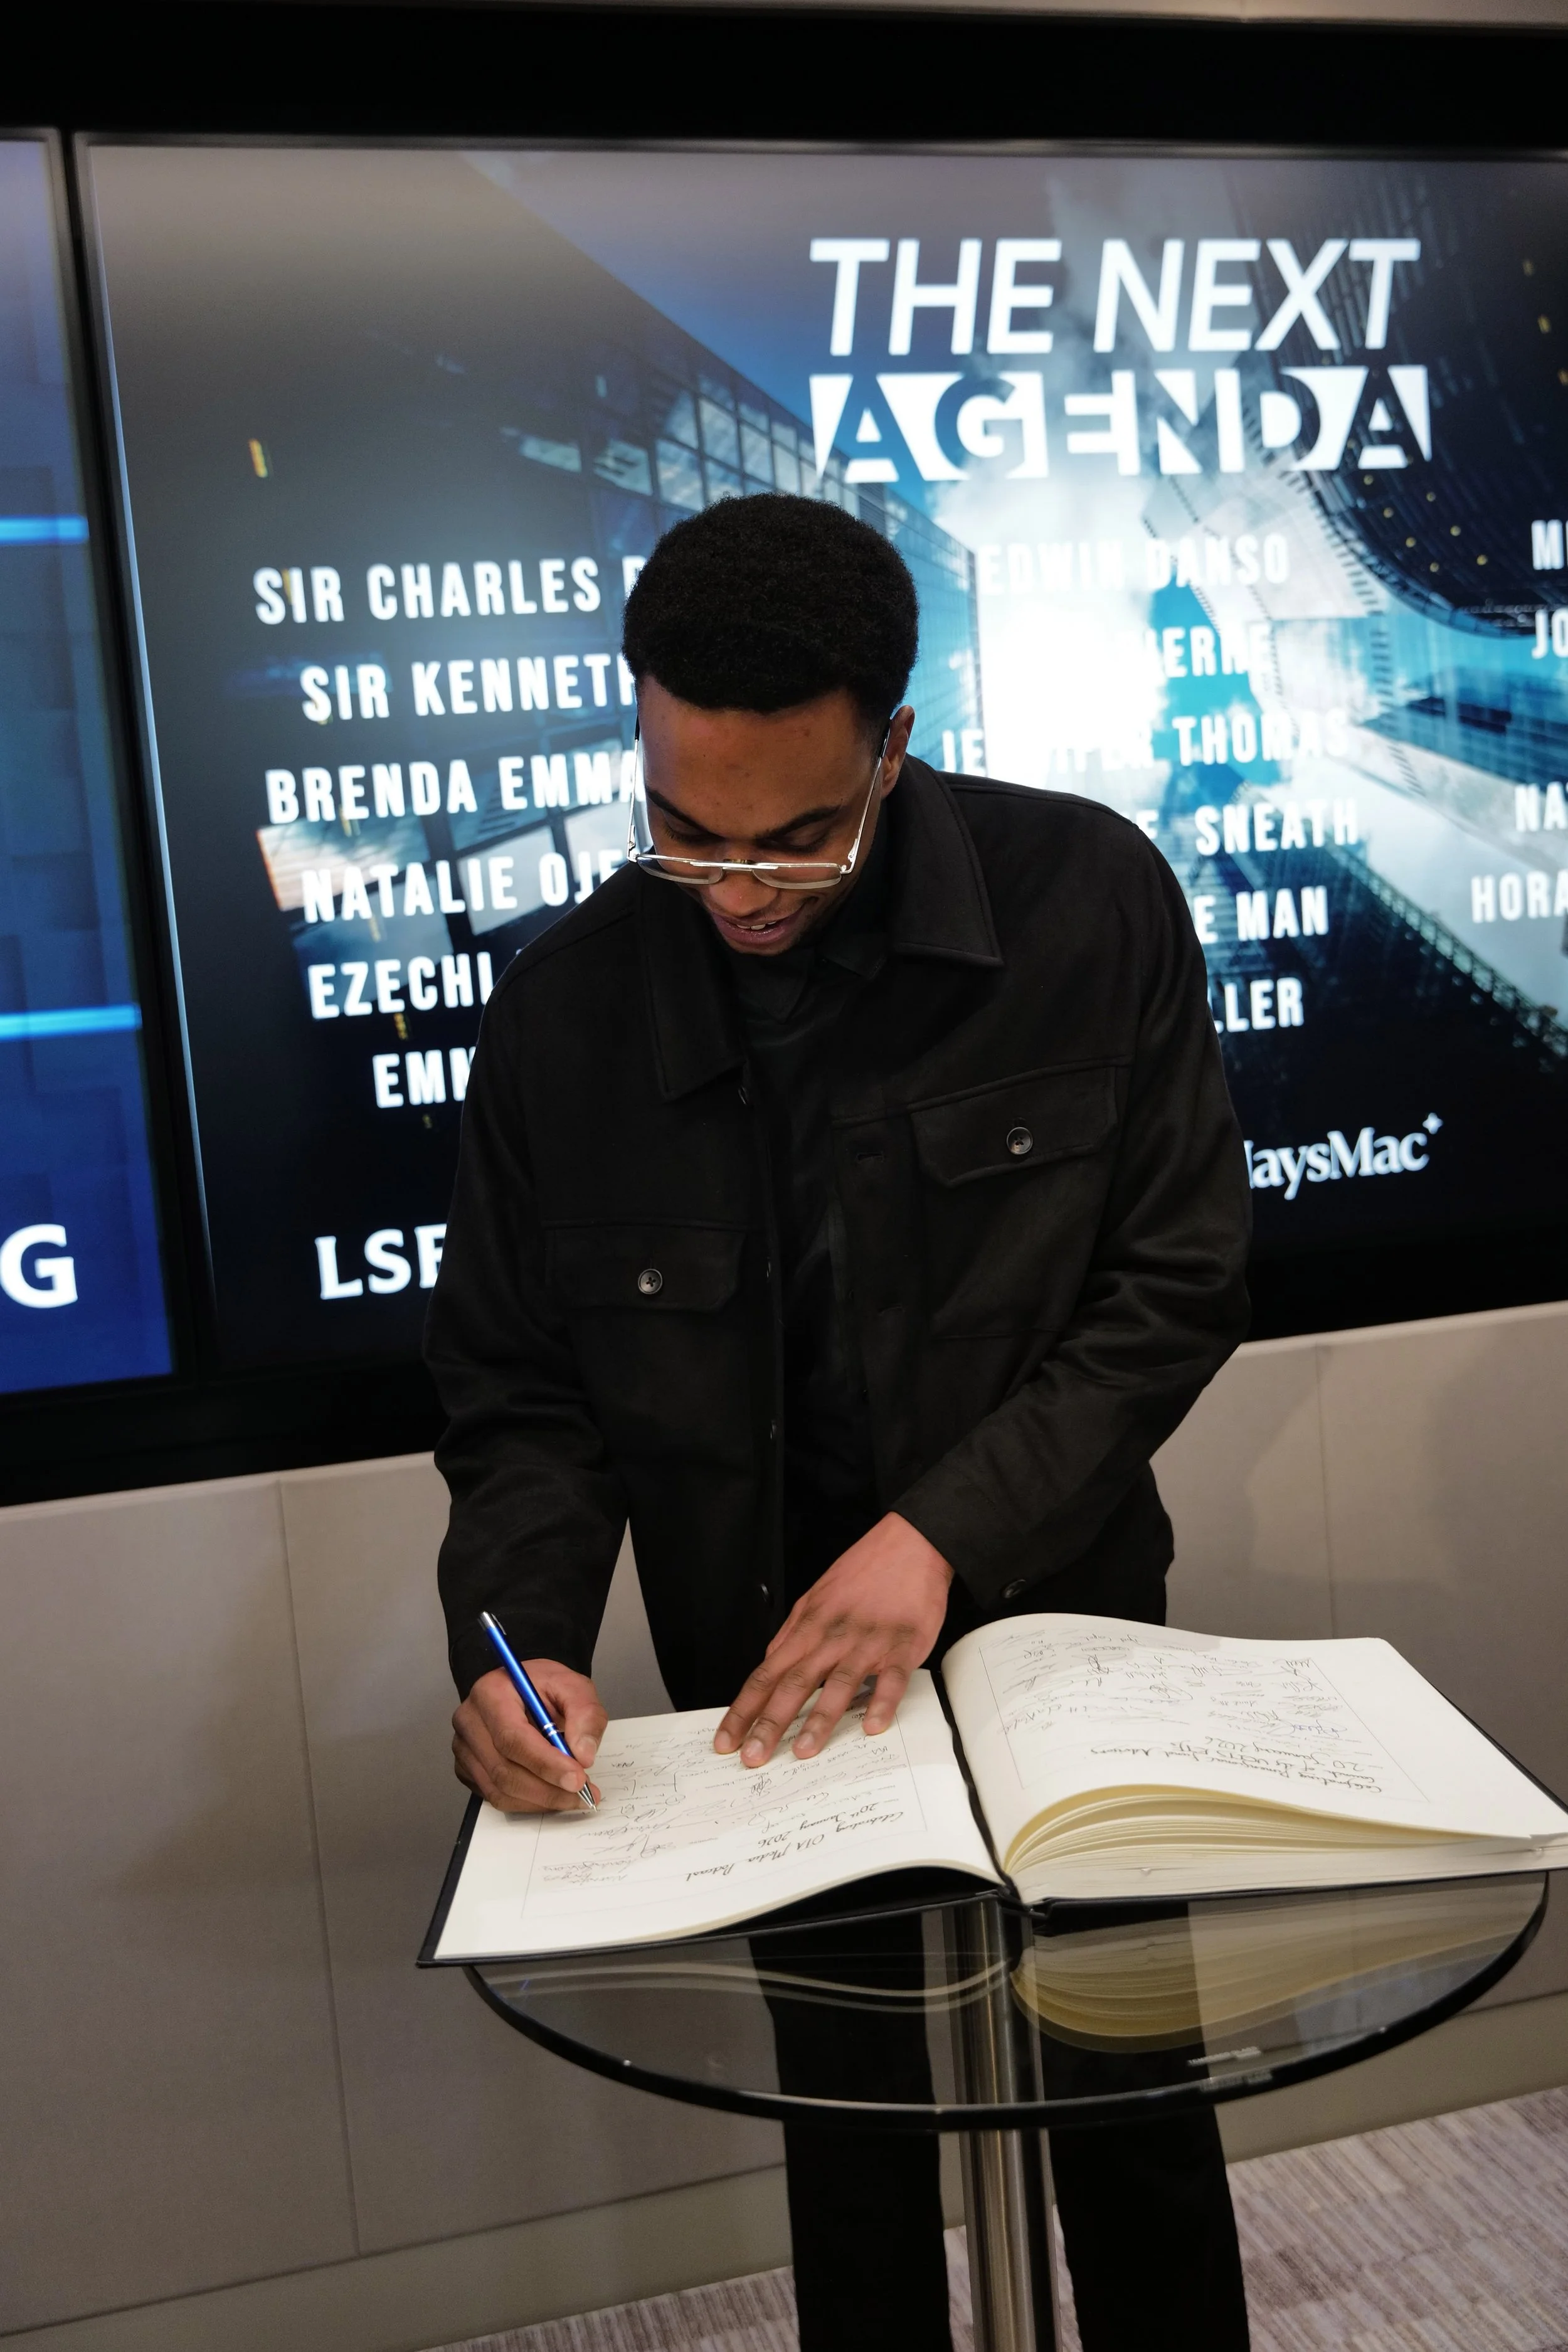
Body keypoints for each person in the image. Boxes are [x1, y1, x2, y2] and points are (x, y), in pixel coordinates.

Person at [428, 491, 1253, 2351]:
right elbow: (519, 1395)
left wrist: (942, 1532)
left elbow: (1173, 1282)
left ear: (893, 741)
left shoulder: (1085, 899)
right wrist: (524, 1639)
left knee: (1124, 2099)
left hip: (1061, 1618)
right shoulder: (566, 1010)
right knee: (855, 2138)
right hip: (774, 1680)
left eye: (796, 842)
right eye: (683, 831)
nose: (734, 891)